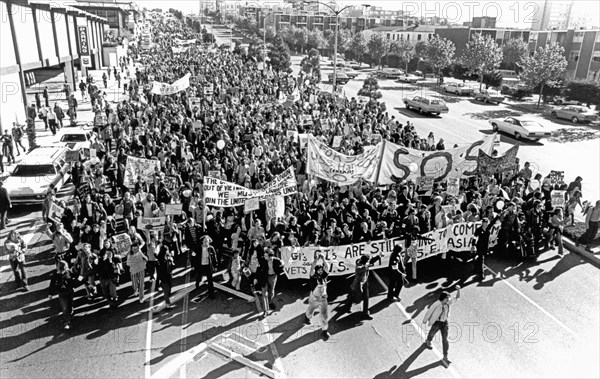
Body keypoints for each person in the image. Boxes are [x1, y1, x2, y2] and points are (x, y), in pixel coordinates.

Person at [423, 285, 461, 365]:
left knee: (445, 339)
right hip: (437, 322)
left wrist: (458, 290)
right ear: (443, 299)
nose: (449, 299)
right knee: (432, 333)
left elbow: (457, 298)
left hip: (444, 323)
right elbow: (429, 311)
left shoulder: (448, 303)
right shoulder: (436, 304)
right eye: (447, 298)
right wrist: (425, 320)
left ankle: (445, 355)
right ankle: (428, 340)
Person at [343, 253, 382, 320]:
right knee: (353, 296)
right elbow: (365, 266)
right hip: (358, 284)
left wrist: (378, 256)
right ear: (365, 261)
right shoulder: (359, 267)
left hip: (364, 282)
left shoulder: (364, 264)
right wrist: (368, 264)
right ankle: (348, 307)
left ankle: (365, 313)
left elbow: (371, 261)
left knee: (365, 298)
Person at [304, 255, 330, 340]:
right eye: (319, 270)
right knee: (311, 309)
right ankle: (307, 317)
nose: (321, 271)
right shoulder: (312, 276)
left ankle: (325, 330)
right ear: (316, 271)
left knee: (324, 315)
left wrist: (323, 259)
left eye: (321, 270)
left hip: (323, 299)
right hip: (314, 297)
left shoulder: (324, 276)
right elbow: (312, 268)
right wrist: (315, 260)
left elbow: (327, 267)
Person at [48, 260, 78, 330]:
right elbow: (51, 285)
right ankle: (67, 322)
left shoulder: (69, 272)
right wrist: (50, 294)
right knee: (64, 308)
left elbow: (77, 277)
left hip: (70, 292)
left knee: (70, 305)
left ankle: (70, 315)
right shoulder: (55, 275)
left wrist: (82, 280)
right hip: (62, 293)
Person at [257, 248, 284, 317]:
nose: (265, 257)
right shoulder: (263, 260)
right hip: (264, 277)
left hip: (273, 277)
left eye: (266, 256)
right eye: (264, 255)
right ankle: (265, 310)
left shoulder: (276, 260)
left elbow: (282, 263)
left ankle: (270, 302)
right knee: (264, 293)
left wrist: (282, 265)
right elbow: (259, 269)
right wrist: (256, 278)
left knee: (271, 291)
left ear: (270, 256)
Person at [156, 244, 176, 309]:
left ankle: (167, 302)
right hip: (165, 276)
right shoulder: (163, 259)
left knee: (168, 289)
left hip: (166, 276)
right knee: (166, 291)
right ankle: (167, 304)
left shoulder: (163, 258)